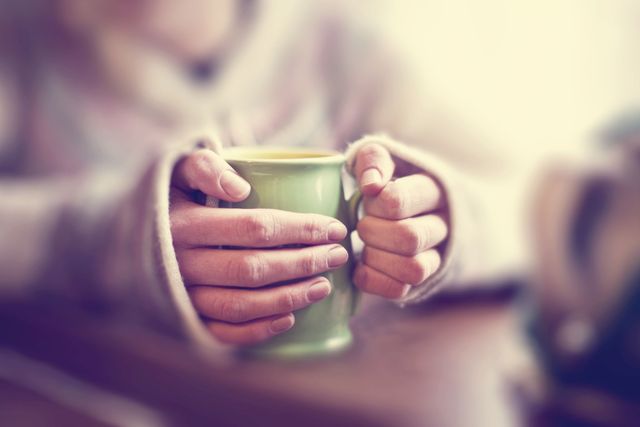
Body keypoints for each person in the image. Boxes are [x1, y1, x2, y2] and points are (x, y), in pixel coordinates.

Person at [0, 0, 525, 347]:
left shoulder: (347, 56)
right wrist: (107, 237)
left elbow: (527, 212)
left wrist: (446, 221)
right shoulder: (19, 43)